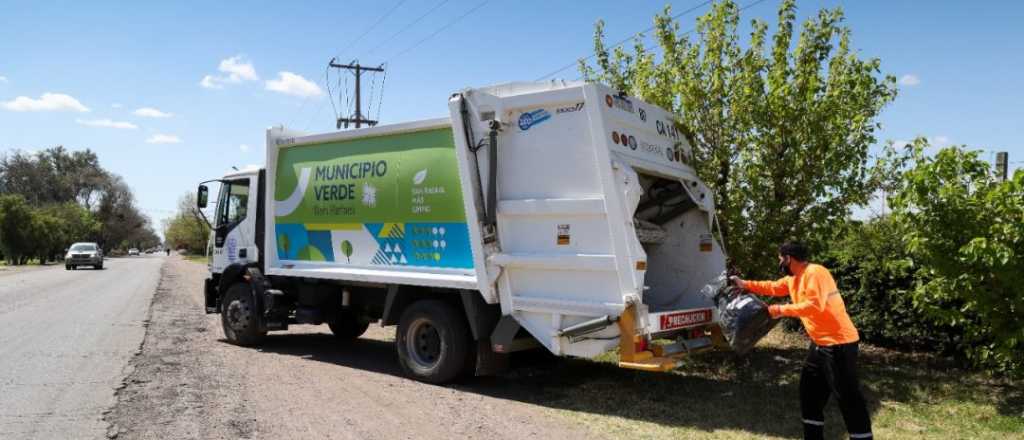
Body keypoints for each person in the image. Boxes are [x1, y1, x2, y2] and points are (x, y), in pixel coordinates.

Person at [731, 241, 872, 440]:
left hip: (839, 343)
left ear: (788, 258)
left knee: (848, 398)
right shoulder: (794, 279)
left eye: (780, 258)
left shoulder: (816, 273)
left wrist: (779, 310)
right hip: (820, 344)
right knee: (810, 395)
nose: (779, 262)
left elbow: (814, 306)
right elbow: (772, 287)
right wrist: (745, 284)